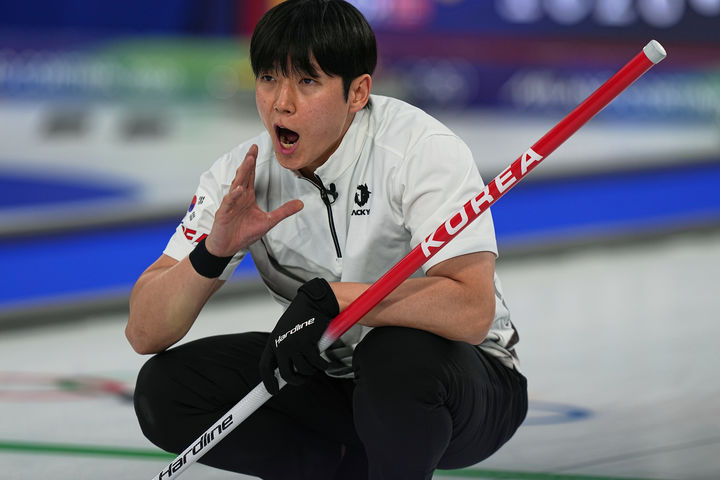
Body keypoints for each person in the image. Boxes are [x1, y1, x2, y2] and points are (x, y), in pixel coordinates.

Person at [127, 1, 527, 479]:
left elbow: (472, 309)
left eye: (307, 81)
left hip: (463, 382)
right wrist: (212, 252)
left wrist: (336, 299)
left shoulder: (420, 150)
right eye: (269, 78)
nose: (281, 103)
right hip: (336, 375)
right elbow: (144, 332)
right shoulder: (240, 177)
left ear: (358, 92)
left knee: (392, 353)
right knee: (166, 388)